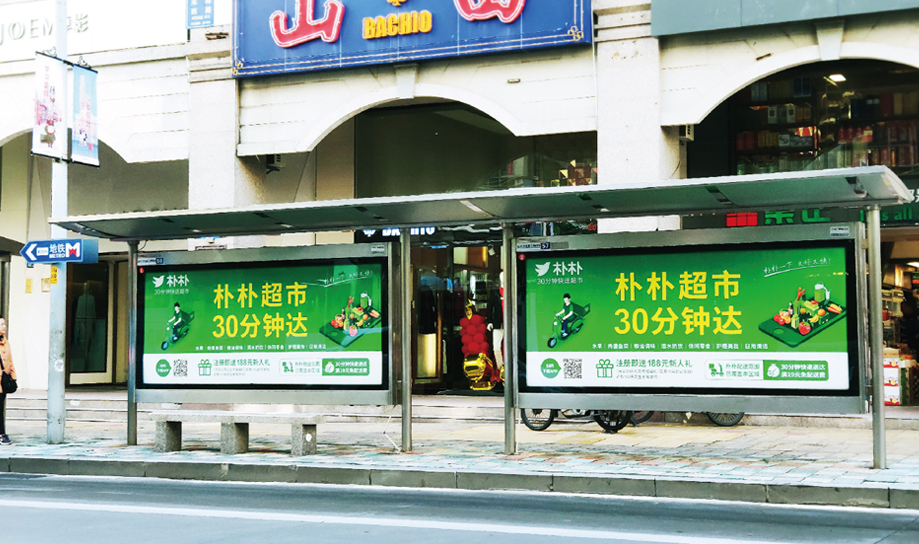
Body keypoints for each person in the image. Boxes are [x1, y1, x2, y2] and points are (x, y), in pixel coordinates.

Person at [0, 318, 16, 445]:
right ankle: (2, 434)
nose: (4, 326)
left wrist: (13, 376)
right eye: (1, 324)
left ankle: (2, 433)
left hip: (3, 382)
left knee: (0, 409)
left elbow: (10, 361)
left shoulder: (6, 343)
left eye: (4, 324)